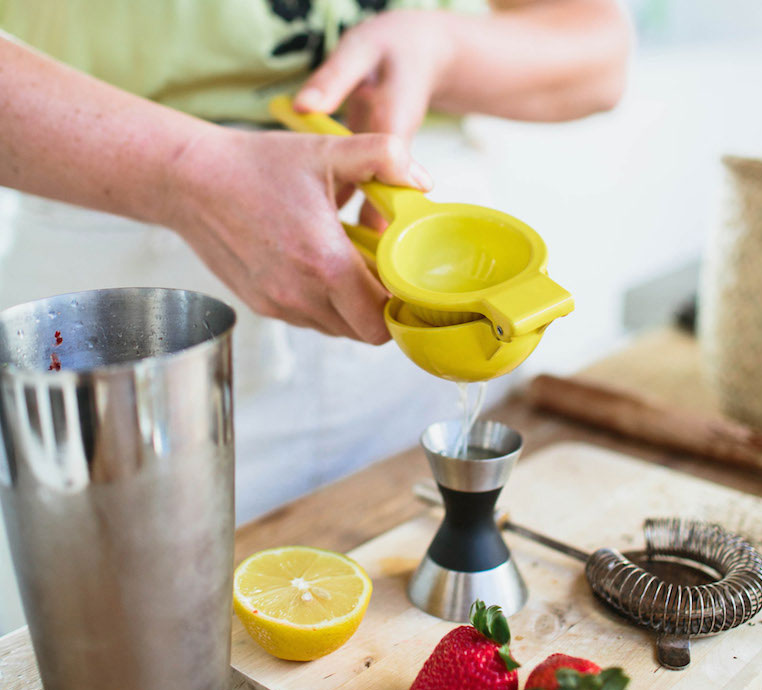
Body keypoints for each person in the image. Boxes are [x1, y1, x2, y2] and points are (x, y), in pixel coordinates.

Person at [0, 1, 631, 522]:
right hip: (133, 311)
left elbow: (600, 52)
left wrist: (447, 49)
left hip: (427, 308)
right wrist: (183, 172)